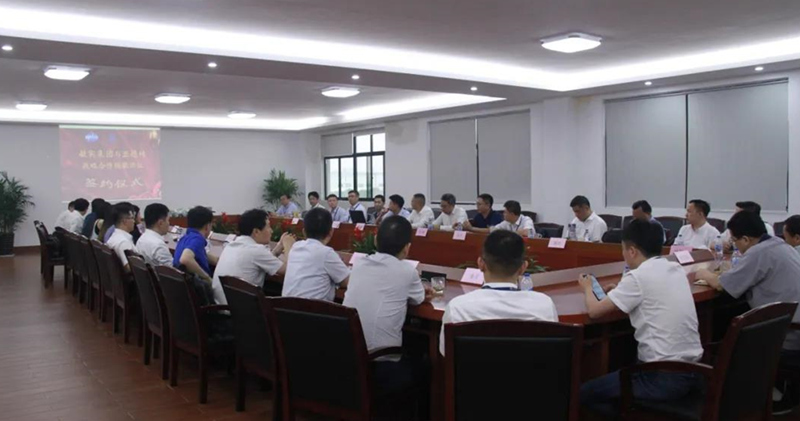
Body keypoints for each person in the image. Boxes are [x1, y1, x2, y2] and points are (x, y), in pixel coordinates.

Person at [579, 219, 703, 416]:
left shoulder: (638, 277)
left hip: (661, 378)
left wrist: (587, 288)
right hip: (695, 371)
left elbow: (594, 311)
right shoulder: (675, 268)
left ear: (632, 251)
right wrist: (620, 290)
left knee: (583, 393)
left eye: (623, 249)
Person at [694, 210, 800, 414]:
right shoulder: (780, 245)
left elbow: (722, 285)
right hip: (791, 326)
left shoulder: (758, 252)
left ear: (745, 239)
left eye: (735, 241)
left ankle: (730, 399)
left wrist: (703, 273)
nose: (735, 246)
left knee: (725, 334)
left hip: (787, 334)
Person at [438, 230, 557, 355]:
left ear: (481, 264)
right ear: (523, 268)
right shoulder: (545, 305)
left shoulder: (457, 308)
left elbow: (446, 352)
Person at [344, 216, 433, 352]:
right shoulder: (407, 271)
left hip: (347, 348)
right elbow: (418, 299)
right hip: (380, 355)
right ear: (407, 248)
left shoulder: (359, 263)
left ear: (375, 240)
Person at [212, 209, 295, 305]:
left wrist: (277, 249)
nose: (271, 231)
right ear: (256, 231)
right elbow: (288, 270)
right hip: (242, 311)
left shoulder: (231, 245)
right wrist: (288, 246)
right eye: (268, 226)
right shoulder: (256, 250)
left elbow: (260, 259)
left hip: (222, 307)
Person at [282, 208, 350, 301]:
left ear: (304, 232)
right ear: (331, 231)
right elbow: (347, 281)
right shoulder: (326, 253)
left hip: (283, 308)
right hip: (312, 309)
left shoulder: (296, 247)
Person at [173, 206, 218, 284]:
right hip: (198, 287)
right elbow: (185, 259)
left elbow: (199, 253)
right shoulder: (197, 238)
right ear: (207, 226)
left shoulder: (185, 237)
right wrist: (207, 278)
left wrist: (217, 260)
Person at [106, 203, 138, 272]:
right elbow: (129, 268)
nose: (134, 221)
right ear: (125, 221)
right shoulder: (123, 242)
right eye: (132, 218)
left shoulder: (115, 236)